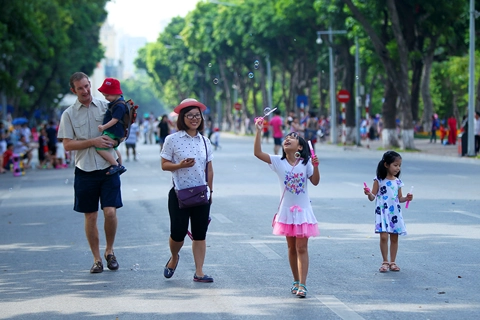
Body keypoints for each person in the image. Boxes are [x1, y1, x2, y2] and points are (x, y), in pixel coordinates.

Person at [57, 72, 122, 274]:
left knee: (110, 212)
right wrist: (92, 142)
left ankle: (109, 251)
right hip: (84, 169)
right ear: (73, 90)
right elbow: (67, 145)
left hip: (108, 168)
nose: (85, 91)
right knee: (91, 216)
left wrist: (116, 143)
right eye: (80, 88)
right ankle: (96, 259)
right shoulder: (68, 114)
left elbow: (120, 131)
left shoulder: (106, 107)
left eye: (87, 86)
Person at [253, 118, 320, 298]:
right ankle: (296, 280)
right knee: (291, 248)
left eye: (293, 137)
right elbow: (258, 153)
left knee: (302, 248)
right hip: (286, 213)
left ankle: (303, 284)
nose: (288, 138)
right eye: (287, 137)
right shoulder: (277, 161)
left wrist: (316, 166)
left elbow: (315, 182)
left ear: (300, 148)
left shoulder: (305, 164)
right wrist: (259, 130)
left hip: (303, 212)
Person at [160, 98, 214, 283]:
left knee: (200, 234)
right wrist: (179, 165)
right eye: (190, 116)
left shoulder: (205, 141)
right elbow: (164, 165)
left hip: (201, 194)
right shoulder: (172, 140)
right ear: (182, 118)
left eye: (197, 115)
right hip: (179, 194)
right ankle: (174, 257)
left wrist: (211, 192)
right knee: (178, 233)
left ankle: (199, 271)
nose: (194, 119)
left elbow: (209, 168)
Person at [363, 151, 413, 273]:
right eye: (395, 165)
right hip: (382, 212)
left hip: (395, 213)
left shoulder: (398, 182)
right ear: (386, 165)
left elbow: (399, 198)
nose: (398, 168)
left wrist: (406, 198)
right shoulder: (378, 180)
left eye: (399, 165)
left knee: (394, 238)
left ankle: (393, 262)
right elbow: (372, 197)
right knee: (384, 237)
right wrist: (368, 193)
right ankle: (385, 261)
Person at [96, 78, 127, 176]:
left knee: (99, 147)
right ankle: (120, 165)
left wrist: (103, 127)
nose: (106, 98)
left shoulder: (119, 106)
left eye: (107, 95)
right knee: (115, 148)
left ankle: (116, 164)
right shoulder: (118, 103)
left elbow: (115, 120)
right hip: (116, 132)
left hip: (112, 132)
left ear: (115, 92)